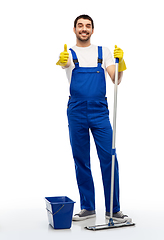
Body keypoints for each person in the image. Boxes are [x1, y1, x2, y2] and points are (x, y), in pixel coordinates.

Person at [56, 14, 131, 222]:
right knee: (82, 160)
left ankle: (113, 209)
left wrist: (121, 62)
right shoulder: (68, 54)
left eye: (88, 26)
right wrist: (62, 62)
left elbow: (116, 79)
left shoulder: (104, 52)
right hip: (76, 111)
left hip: (99, 112)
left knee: (109, 159)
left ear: (92, 30)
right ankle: (88, 207)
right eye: (80, 25)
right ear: (74, 29)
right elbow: (64, 65)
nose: (84, 29)